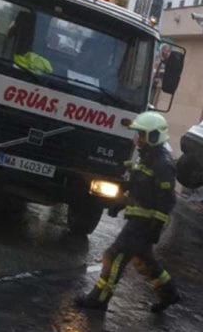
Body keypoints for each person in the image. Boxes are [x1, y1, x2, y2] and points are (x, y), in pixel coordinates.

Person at [75, 112, 181, 313]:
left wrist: (156, 226)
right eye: (138, 135)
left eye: (142, 135)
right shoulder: (148, 157)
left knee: (114, 256)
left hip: (145, 223)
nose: (138, 140)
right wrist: (120, 203)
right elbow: (139, 188)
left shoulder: (162, 164)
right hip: (139, 219)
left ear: (154, 136)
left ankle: (99, 299)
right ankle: (169, 293)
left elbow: (167, 200)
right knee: (144, 259)